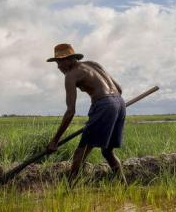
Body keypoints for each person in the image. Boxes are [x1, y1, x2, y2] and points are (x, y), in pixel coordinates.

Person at [46, 43, 127, 184]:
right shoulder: (94, 64)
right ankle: (125, 188)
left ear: (71, 59)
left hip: (104, 105)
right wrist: (111, 106)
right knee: (107, 152)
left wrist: (55, 141)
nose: (59, 66)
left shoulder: (71, 76)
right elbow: (118, 89)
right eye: (57, 62)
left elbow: (70, 111)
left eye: (61, 61)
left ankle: (67, 192)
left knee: (80, 152)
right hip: (120, 103)